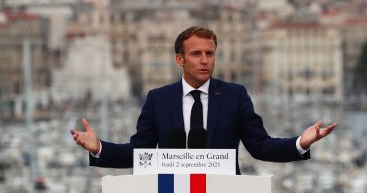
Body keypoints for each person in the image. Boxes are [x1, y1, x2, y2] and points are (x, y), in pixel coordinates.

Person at [71, 26, 336, 173]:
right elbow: (141, 152)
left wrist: (301, 142)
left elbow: (261, 146)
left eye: (210, 53)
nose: (204, 60)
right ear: (180, 59)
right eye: (196, 53)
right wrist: (99, 148)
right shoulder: (158, 99)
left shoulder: (235, 95)